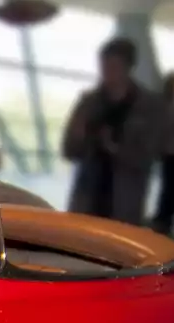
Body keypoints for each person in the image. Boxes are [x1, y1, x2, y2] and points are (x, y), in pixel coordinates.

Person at [62, 36, 163, 224]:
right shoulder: (88, 102)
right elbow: (68, 150)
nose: (107, 73)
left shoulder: (149, 107)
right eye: (104, 67)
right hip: (88, 198)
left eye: (113, 67)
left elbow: (149, 155)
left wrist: (114, 148)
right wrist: (79, 137)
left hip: (124, 202)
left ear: (128, 68)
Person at [152, 71, 174, 233]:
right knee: (169, 184)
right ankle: (165, 216)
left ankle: (165, 216)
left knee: (170, 185)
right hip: (170, 149)